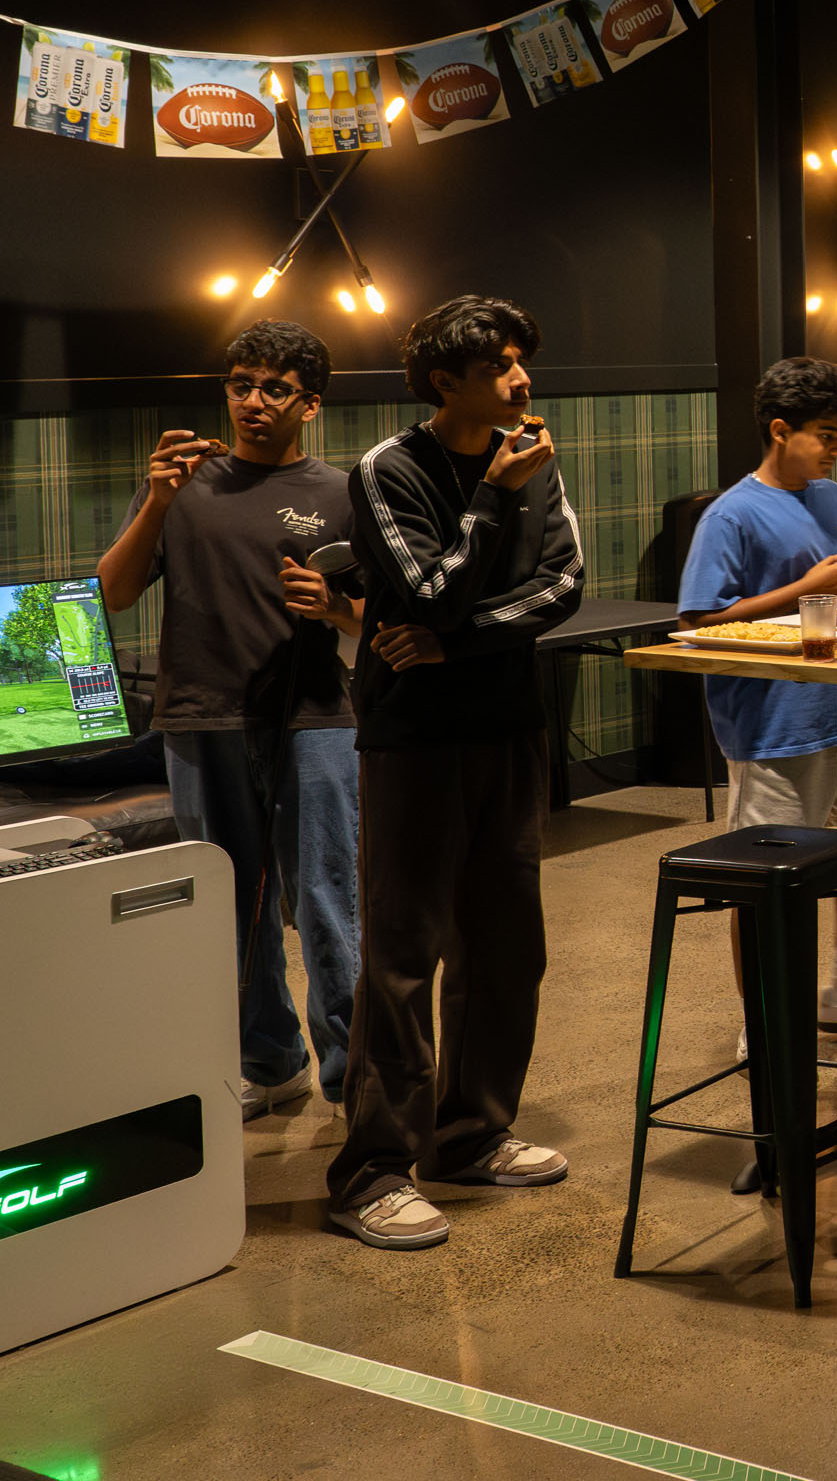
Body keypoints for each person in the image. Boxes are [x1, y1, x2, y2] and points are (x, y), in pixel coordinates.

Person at [326, 295, 583, 1250]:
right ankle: (371, 1172)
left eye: (522, 361)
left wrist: (458, 642)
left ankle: (471, 1134)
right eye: (499, 367)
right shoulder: (389, 469)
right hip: (416, 739)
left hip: (509, 726)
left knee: (507, 945)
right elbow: (427, 589)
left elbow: (563, 586)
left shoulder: (534, 456)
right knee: (403, 954)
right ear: (446, 383)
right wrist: (493, 498)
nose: (521, 380)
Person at [95, 319, 365, 1122]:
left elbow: (375, 620)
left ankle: (355, 1077)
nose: (254, 401)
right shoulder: (182, 485)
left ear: (309, 404)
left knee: (325, 898)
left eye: (275, 388)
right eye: (241, 385)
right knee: (228, 906)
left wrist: (335, 607)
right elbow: (114, 592)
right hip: (200, 716)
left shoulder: (340, 492)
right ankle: (269, 1063)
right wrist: (158, 500)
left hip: (314, 717)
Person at [680, 357, 837, 1027]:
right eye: (827, 434)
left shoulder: (834, 499)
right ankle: (762, 1027)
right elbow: (698, 620)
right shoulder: (731, 515)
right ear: (780, 429)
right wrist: (802, 592)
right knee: (767, 876)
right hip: (774, 724)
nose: (836, 449)